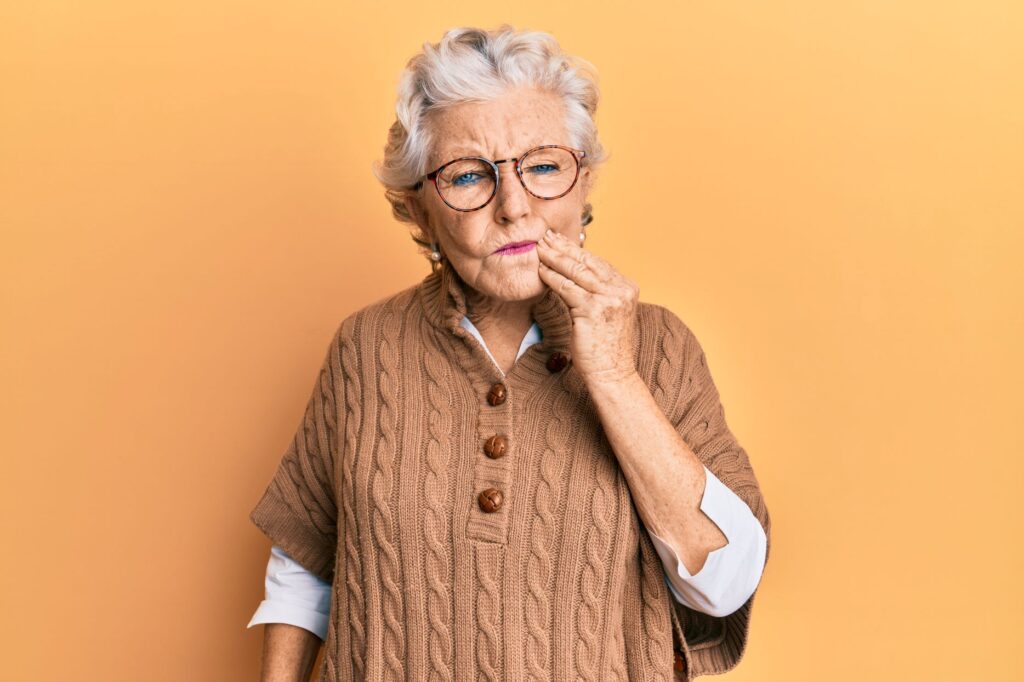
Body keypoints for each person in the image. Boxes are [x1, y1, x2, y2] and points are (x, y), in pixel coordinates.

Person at [246, 24, 771, 681]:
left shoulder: (661, 345)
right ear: (419, 210)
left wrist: (612, 373)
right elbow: (304, 566)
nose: (515, 207)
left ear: (584, 187)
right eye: (469, 177)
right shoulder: (366, 347)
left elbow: (725, 582)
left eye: (544, 166)